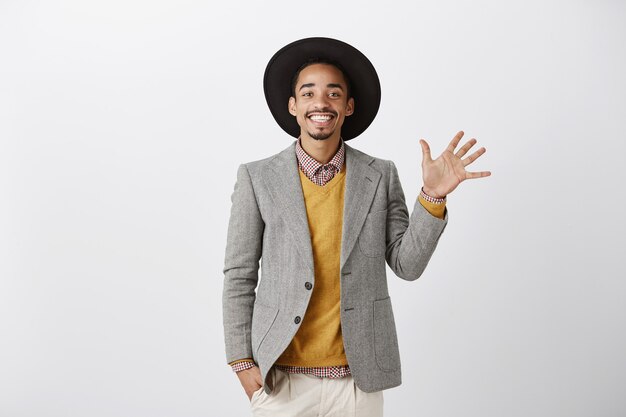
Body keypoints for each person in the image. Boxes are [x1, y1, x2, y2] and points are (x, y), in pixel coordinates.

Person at [222, 37, 490, 416]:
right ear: (293, 106)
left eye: (334, 93)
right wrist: (240, 360)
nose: (321, 102)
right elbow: (239, 273)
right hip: (280, 380)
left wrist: (431, 196)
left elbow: (406, 265)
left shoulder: (379, 175)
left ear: (348, 106)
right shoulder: (257, 178)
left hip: (356, 382)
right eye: (309, 92)